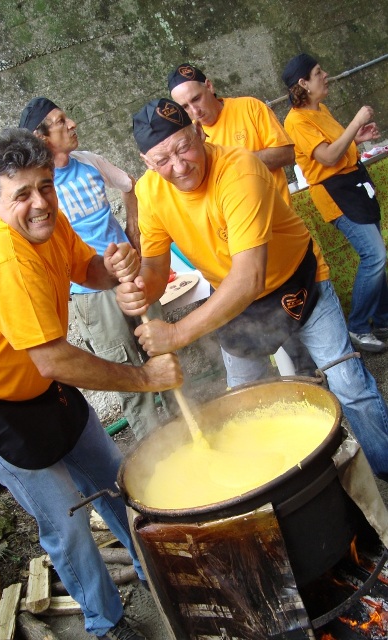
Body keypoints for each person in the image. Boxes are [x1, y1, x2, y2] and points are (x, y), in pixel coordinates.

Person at [0, 128, 183, 640]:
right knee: (68, 523)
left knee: (120, 483)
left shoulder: (48, 224)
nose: (40, 203)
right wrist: (144, 376)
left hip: (41, 386)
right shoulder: (2, 258)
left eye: (45, 186)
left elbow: (89, 271)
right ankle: (107, 623)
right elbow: (55, 358)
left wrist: (113, 263)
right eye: (22, 194)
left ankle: (157, 570)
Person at [117, 97, 388, 481]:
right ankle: (274, 485)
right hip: (233, 301)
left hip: (296, 281)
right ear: (147, 162)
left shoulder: (239, 169)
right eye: (162, 160)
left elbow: (249, 278)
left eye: (184, 148)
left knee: (347, 383)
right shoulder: (150, 193)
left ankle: (385, 468)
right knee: (244, 404)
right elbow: (158, 271)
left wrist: (176, 333)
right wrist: (140, 287)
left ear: (198, 132)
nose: (178, 167)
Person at [18, 97, 173, 440]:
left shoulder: (89, 162)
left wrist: (133, 228)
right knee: (129, 376)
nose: (72, 124)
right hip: (93, 294)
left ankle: (194, 431)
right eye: (61, 121)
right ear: (41, 137)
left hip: (131, 274)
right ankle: (163, 452)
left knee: (164, 350)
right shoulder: (42, 190)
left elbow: (131, 185)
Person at [167, 62, 316, 379]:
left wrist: (237, 167)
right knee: (258, 357)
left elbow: (288, 153)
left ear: (210, 85)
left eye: (196, 99)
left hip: (279, 243)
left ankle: (316, 389)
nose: (194, 110)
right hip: (231, 259)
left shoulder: (249, 107)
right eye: (184, 107)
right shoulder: (188, 141)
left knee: (302, 337)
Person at [282, 53, 388, 353]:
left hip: (354, 184)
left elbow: (336, 148)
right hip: (335, 194)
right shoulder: (296, 121)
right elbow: (326, 158)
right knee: (375, 256)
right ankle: (356, 326)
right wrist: (356, 122)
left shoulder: (321, 109)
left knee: (377, 255)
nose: (325, 75)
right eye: (318, 72)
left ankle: (382, 320)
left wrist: (356, 138)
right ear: (303, 82)